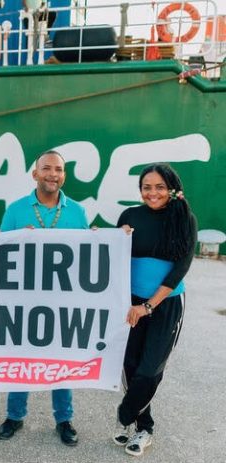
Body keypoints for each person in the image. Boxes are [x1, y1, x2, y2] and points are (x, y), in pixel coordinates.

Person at [0, 150, 87, 446]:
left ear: (64, 175)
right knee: (21, 357)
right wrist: (3, 238)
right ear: (35, 174)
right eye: (46, 168)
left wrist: (103, 239)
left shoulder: (78, 212)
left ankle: (64, 419)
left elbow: (88, 256)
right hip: (23, 300)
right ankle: (14, 416)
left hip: (63, 300)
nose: (52, 174)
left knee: (61, 359)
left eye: (58, 169)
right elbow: (0, 253)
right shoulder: (16, 210)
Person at [113, 163, 197, 457]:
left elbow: (180, 269)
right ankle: (143, 427)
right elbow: (109, 255)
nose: (152, 193)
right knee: (130, 365)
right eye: (146, 187)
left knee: (150, 370)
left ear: (172, 189)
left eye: (160, 187)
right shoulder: (130, 216)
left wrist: (147, 306)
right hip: (129, 304)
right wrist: (113, 237)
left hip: (166, 304)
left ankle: (126, 414)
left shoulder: (185, 219)